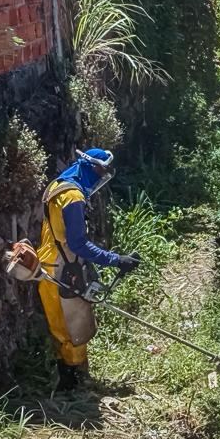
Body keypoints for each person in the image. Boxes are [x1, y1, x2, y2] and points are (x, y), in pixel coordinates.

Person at [38, 148, 140, 388]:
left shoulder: (58, 185)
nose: (99, 178)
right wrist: (116, 259)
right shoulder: (73, 197)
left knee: (59, 326)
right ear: (90, 166)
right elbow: (78, 243)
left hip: (50, 264)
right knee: (74, 329)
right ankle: (73, 384)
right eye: (100, 171)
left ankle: (66, 379)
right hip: (62, 271)